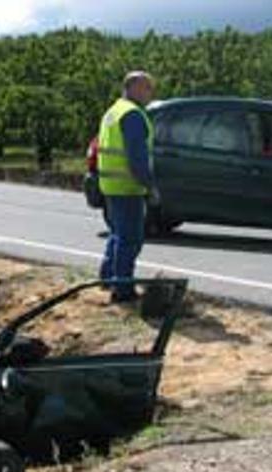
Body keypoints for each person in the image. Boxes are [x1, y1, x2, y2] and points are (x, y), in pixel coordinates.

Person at [97, 71, 157, 303]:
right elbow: (137, 158)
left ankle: (107, 277)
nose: (150, 93)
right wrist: (150, 185)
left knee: (118, 234)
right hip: (127, 186)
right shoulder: (132, 115)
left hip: (110, 184)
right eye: (147, 88)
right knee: (131, 239)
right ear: (132, 88)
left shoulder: (113, 110)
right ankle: (122, 289)